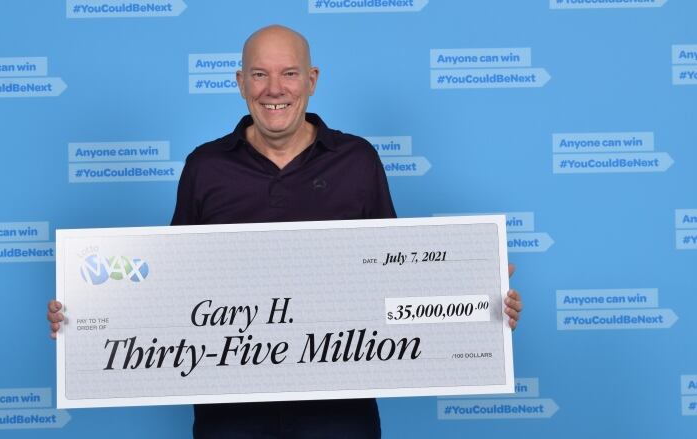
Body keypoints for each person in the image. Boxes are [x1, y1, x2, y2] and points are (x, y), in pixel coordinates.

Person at [48, 24, 524, 438]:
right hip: (228, 411)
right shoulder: (204, 167)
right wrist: (87, 318)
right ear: (240, 83)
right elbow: (167, 287)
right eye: (259, 74)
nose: (274, 88)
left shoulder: (357, 161)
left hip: (340, 409)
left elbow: (396, 274)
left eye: (288, 73)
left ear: (311, 81)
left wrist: (480, 302)